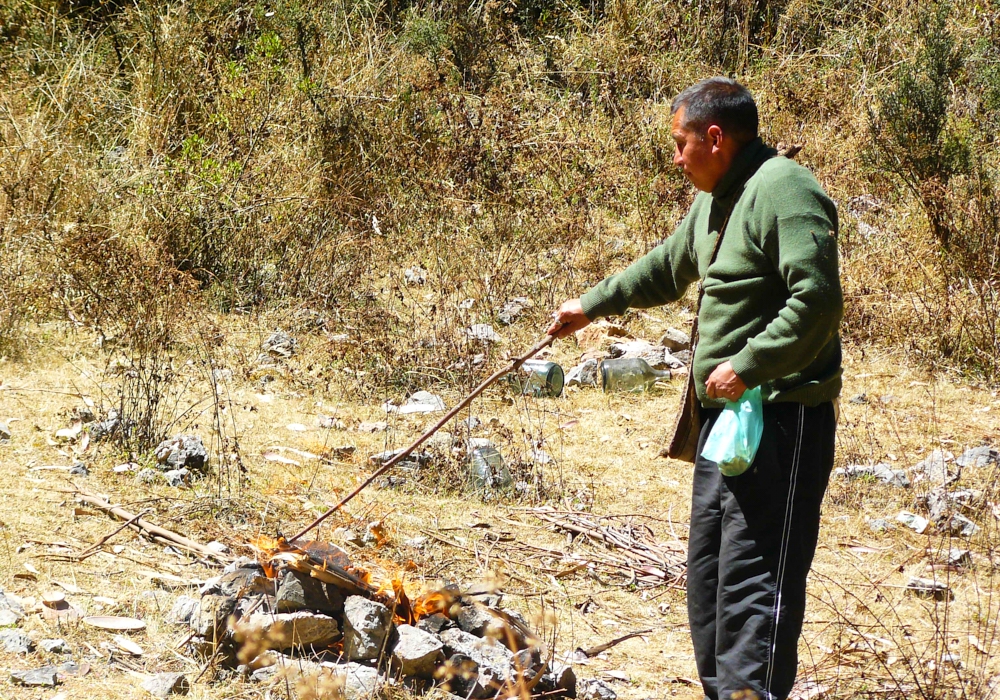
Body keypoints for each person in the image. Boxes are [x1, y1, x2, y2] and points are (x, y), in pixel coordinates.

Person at [546, 77, 842, 700]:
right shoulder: (716, 198)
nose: (675, 158)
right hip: (725, 424)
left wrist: (751, 365)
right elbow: (665, 266)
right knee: (709, 582)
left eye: (680, 144)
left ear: (715, 137)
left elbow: (815, 301)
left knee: (754, 587)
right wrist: (590, 306)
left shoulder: (786, 190)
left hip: (781, 423)